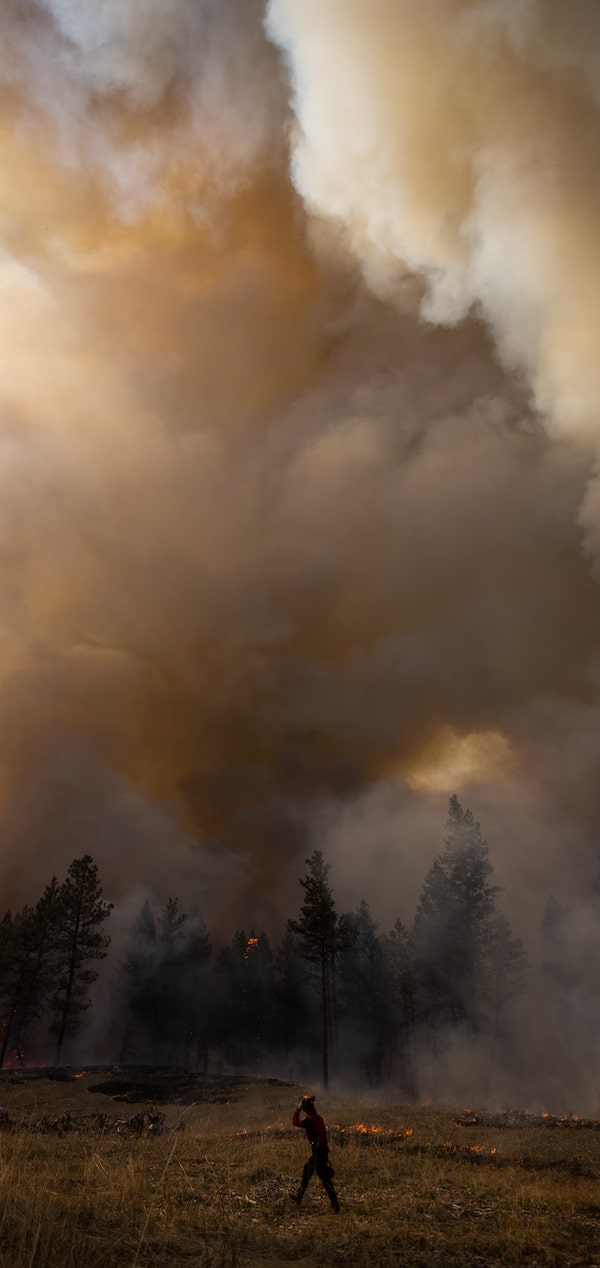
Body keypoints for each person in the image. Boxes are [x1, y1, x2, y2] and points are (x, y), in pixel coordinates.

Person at [291, 1094, 340, 1213]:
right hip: (320, 1151)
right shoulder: (319, 1118)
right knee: (307, 1172)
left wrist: (297, 1108)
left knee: (324, 1179)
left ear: (305, 1109)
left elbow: (294, 1122)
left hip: (319, 1152)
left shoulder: (309, 1119)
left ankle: (336, 1206)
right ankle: (298, 1198)